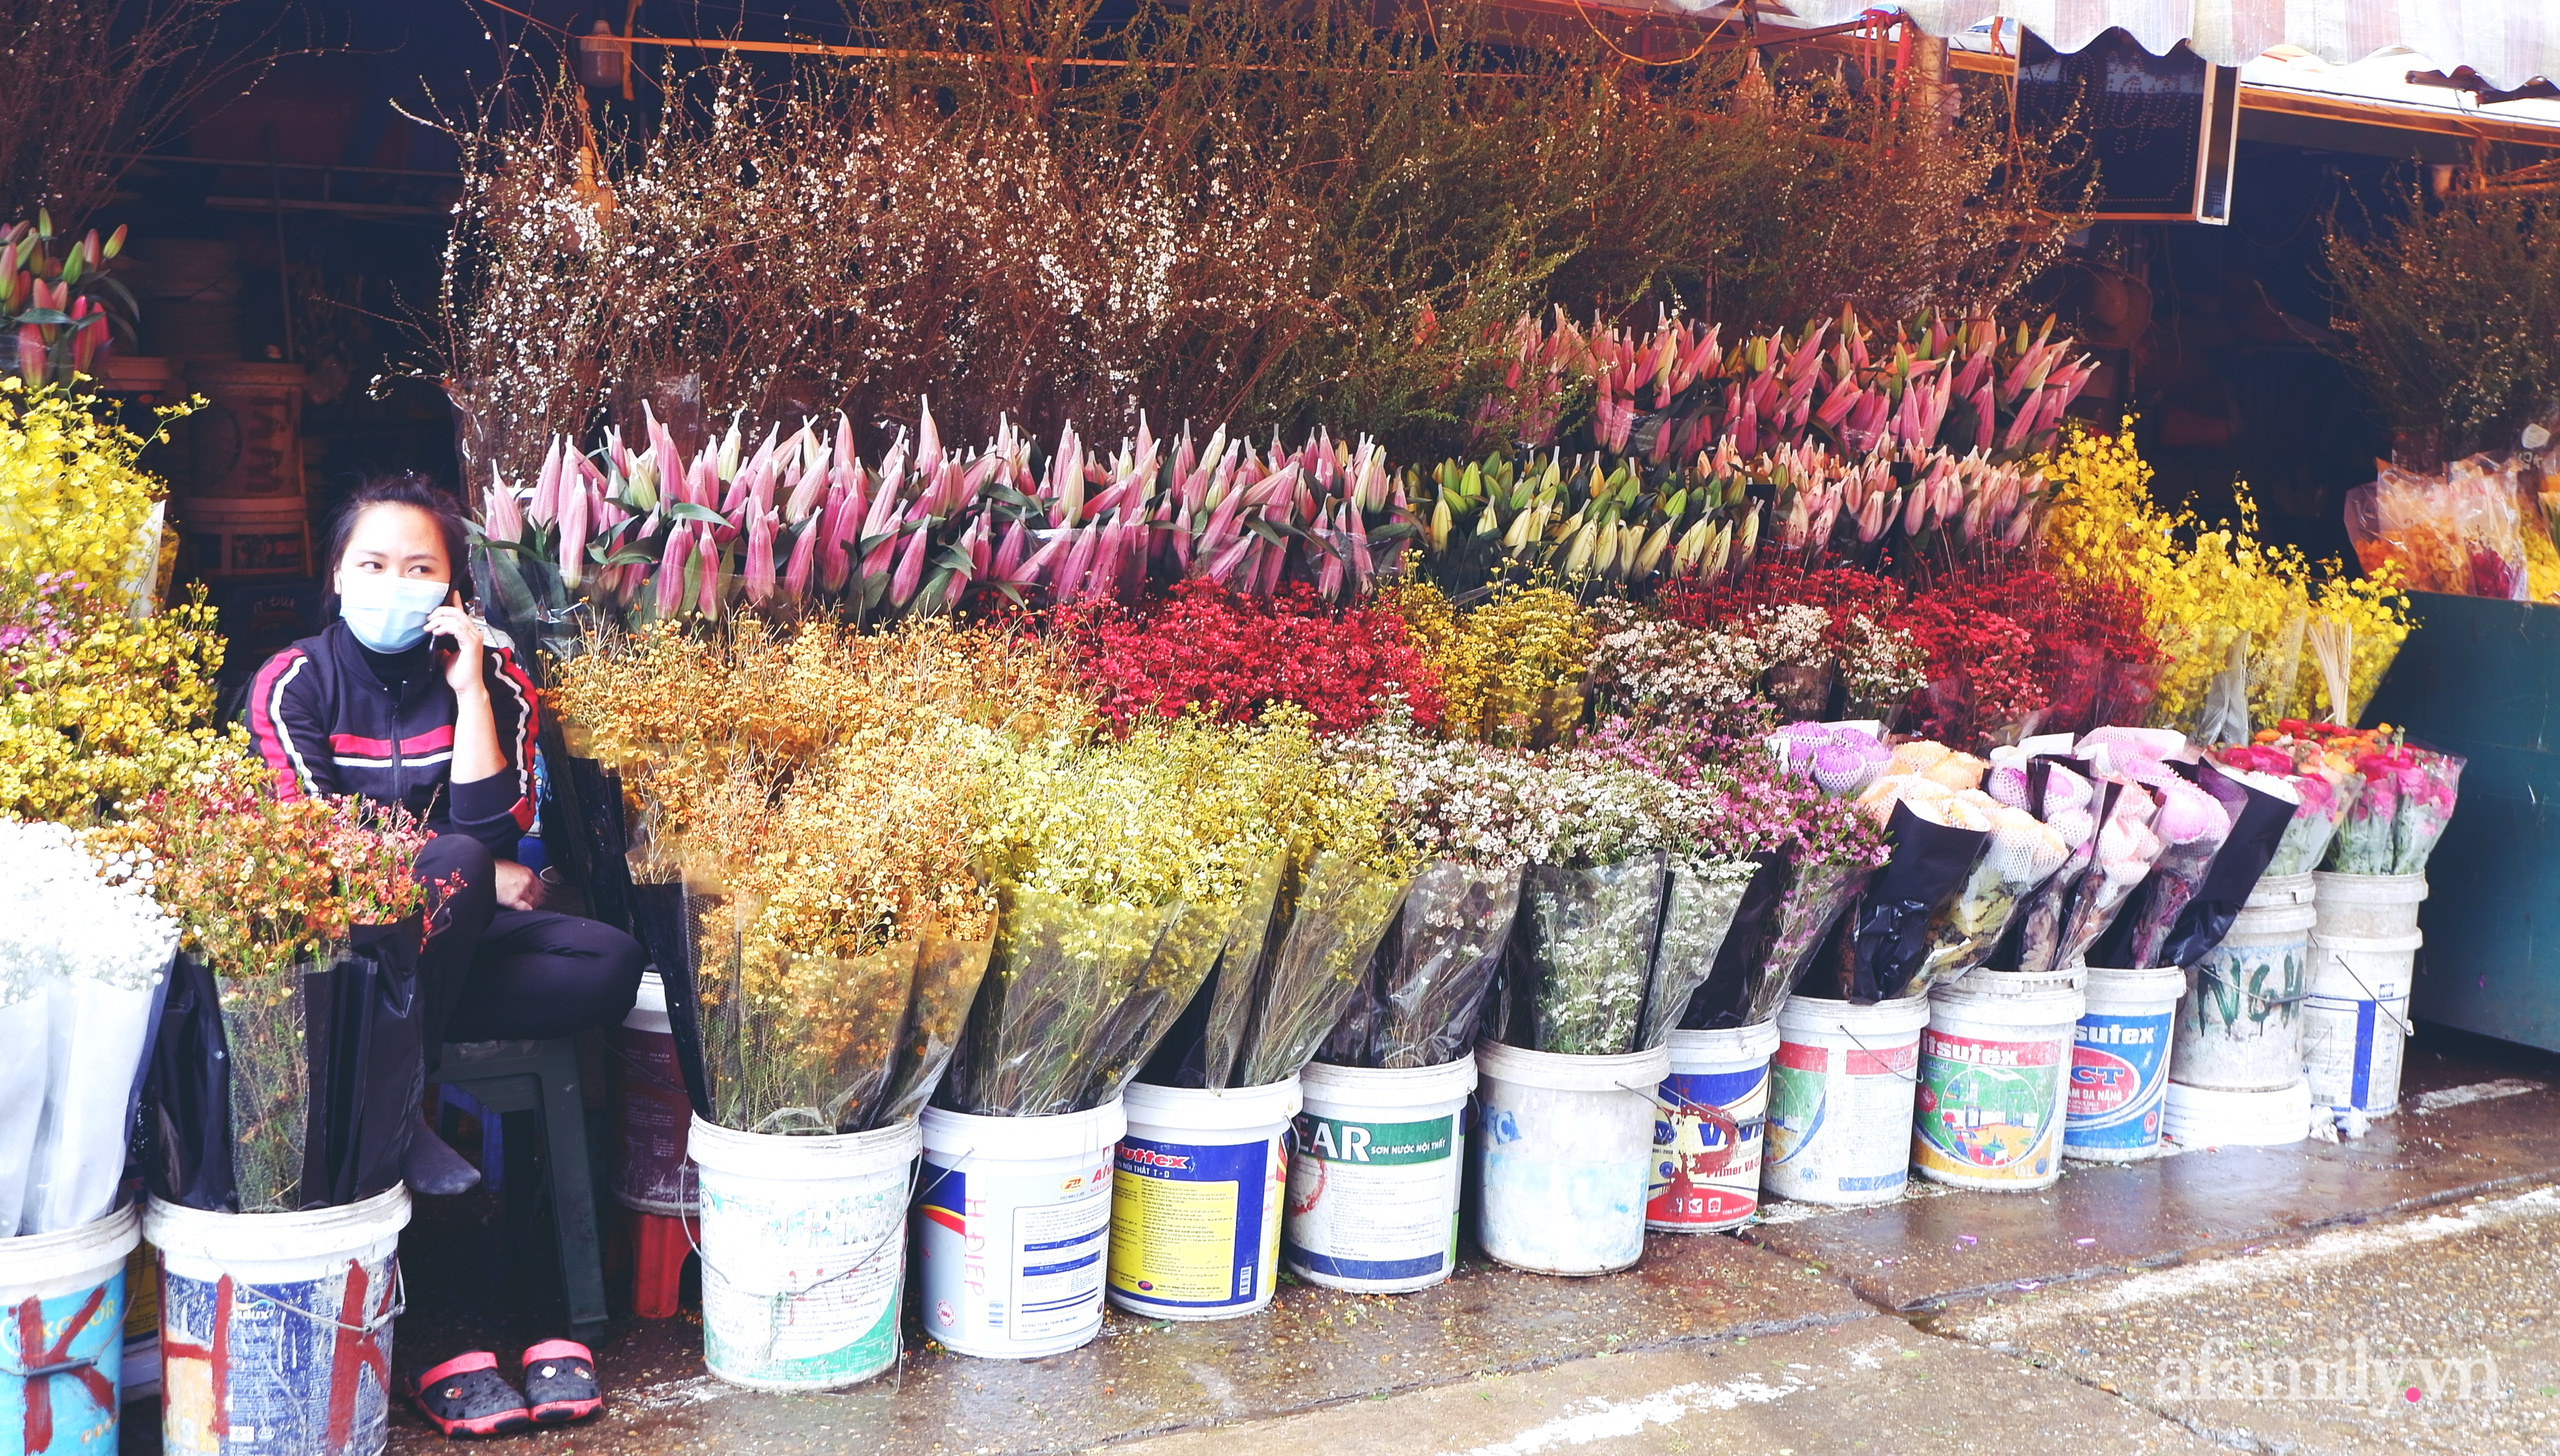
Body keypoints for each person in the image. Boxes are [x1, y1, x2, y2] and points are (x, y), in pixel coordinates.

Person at [244, 472, 644, 1195]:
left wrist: (469, 692)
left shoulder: (496, 678)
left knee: (610, 962)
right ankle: (400, 1111)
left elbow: (494, 827)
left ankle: (382, 1065)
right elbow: (316, 843)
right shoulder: (295, 680)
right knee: (458, 857)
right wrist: (466, 864)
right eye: (372, 564)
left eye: (419, 569)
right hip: (344, 940)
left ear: (451, 592)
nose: (393, 584)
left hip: (452, 933)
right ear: (338, 576)